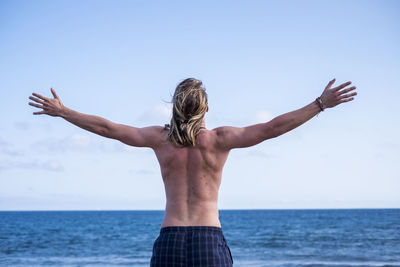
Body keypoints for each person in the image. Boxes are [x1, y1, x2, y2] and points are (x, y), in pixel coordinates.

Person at [28, 78, 357, 266]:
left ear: (173, 106)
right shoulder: (219, 140)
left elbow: (108, 129)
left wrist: (63, 112)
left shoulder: (158, 139)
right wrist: (320, 103)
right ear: (207, 108)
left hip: (171, 240)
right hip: (208, 241)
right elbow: (272, 128)